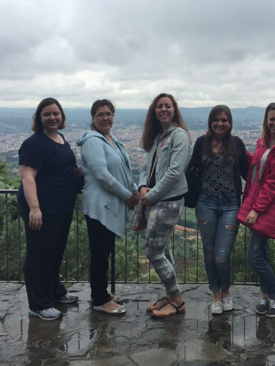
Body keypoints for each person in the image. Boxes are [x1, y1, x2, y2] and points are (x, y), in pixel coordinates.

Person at [18, 98, 84, 320]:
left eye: (56, 113)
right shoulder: (34, 143)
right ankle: (39, 304)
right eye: (47, 114)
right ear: (39, 118)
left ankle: (55, 292)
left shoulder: (60, 139)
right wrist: (34, 209)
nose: (52, 117)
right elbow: (28, 177)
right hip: (43, 208)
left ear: (62, 116)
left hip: (61, 207)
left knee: (55, 252)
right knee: (39, 255)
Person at [186, 105, 250, 315]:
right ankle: (216, 295)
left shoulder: (237, 143)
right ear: (210, 122)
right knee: (209, 251)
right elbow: (192, 170)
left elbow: (248, 173)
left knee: (222, 255)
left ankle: (226, 291)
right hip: (206, 202)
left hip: (231, 203)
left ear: (230, 123)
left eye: (224, 120)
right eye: (216, 120)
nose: (220, 124)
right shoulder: (201, 143)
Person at [76, 99, 138, 315]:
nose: (105, 118)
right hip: (99, 206)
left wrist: (134, 188)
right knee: (100, 253)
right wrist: (128, 195)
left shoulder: (110, 139)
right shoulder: (93, 141)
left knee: (104, 251)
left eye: (109, 114)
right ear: (93, 118)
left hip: (108, 205)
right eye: (100, 114)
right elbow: (103, 175)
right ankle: (100, 299)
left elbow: (122, 171)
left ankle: (100, 291)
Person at [139, 93, 192, 318]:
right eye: (159, 106)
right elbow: (145, 167)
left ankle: (177, 299)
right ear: (154, 111)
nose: (163, 109)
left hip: (168, 201)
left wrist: (152, 196)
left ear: (174, 110)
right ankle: (171, 296)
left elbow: (174, 172)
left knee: (153, 251)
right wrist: (142, 187)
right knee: (163, 249)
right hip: (155, 199)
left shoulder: (178, 135)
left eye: (167, 106)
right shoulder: (159, 136)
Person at [240, 102, 275, 318]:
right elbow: (257, 165)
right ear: (266, 119)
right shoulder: (264, 140)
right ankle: (264, 295)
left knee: (253, 256)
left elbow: (273, 181)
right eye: (272, 119)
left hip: (266, 205)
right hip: (258, 200)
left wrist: (256, 209)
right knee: (262, 253)